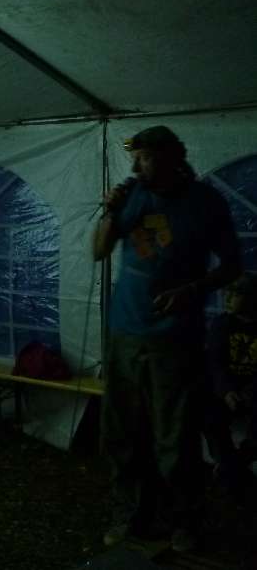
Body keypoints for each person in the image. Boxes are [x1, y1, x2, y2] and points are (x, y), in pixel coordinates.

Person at [92, 125, 241, 553]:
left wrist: (191, 290)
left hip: (175, 338)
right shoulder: (131, 195)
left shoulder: (206, 202)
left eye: (145, 157)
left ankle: (185, 520)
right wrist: (110, 212)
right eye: (134, 158)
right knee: (122, 432)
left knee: (175, 437)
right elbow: (98, 251)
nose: (136, 166)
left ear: (174, 157)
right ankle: (130, 514)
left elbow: (232, 265)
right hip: (124, 332)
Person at [203, 272, 257, 494]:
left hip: (252, 392)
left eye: (235, 294)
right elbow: (215, 362)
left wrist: (249, 392)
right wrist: (227, 391)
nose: (227, 298)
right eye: (227, 292)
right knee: (209, 415)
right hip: (226, 389)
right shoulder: (222, 324)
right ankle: (230, 465)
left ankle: (233, 465)